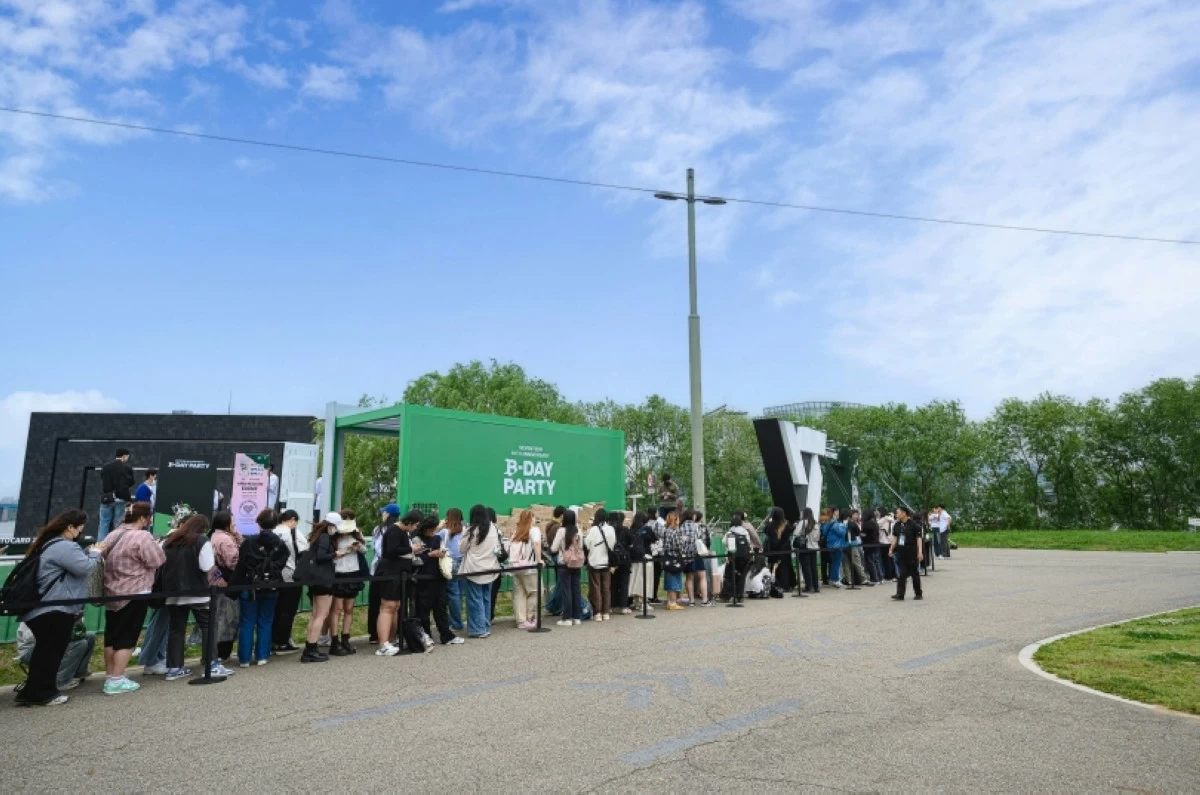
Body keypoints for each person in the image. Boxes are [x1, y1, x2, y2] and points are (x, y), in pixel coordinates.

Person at [16, 509, 101, 706]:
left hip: (43, 608)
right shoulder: (64, 546)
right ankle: (44, 693)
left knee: (45, 651)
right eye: (79, 528)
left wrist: (86, 554)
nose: (80, 532)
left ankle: (31, 691)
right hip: (55, 607)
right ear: (70, 527)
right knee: (51, 653)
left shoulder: (49, 544)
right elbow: (84, 567)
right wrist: (95, 553)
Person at [101, 501, 165, 695]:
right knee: (127, 638)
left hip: (111, 592)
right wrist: (158, 546)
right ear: (143, 518)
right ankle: (117, 679)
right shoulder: (142, 536)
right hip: (135, 591)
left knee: (111, 637)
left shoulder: (113, 534)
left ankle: (111, 675)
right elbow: (157, 560)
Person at [161, 514, 229, 681]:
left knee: (176, 629)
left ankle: (174, 668)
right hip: (197, 591)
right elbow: (207, 566)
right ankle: (211, 664)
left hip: (173, 592)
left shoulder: (169, 541)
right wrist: (220, 578)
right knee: (208, 626)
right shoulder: (201, 541)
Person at [235, 510, 290, 667]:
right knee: (266, 621)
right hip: (272, 584)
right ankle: (262, 656)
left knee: (247, 622)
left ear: (259, 523)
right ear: (276, 524)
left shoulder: (249, 542)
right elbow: (282, 563)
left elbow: (241, 564)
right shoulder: (280, 544)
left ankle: (244, 659)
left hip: (250, 585)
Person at [15, 619, 95, 698]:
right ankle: (60, 681)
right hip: (31, 651)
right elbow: (29, 637)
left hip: (52, 644)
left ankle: (78, 673)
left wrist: (76, 621)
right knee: (80, 644)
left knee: (90, 636)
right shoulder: (34, 615)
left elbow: (75, 630)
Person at [413, 515, 462, 646]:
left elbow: (444, 551)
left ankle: (446, 635)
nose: (433, 532)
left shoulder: (437, 538)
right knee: (423, 609)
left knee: (441, 607)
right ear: (425, 528)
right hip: (423, 578)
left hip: (439, 576)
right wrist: (430, 554)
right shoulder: (417, 539)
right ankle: (425, 636)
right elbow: (415, 559)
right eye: (431, 529)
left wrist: (442, 553)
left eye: (434, 529)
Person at [372, 505, 414, 655]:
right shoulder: (392, 531)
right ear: (409, 523)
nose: (415, 528)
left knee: (395, 606)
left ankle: (391, 639)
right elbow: (390, 551)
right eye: (415, 525)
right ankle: (383, 643)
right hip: (389, 573)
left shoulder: (400, 532)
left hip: (398, 573)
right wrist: (411, 549)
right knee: (388, 606)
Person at [458, 505, 500, 639]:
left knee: (475, 600)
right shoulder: (493, 528)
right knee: (486, 598)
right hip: (491, 568)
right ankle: (485, 626)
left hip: (474, 569)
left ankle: (478, 629)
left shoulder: (471, 530)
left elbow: (461, 548)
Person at [329, 510, 366, 657]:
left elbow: (364, 550)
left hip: (353, 571)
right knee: (337, 608)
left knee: (349, 608)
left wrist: (358, 547)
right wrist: (340, 552)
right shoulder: (333, 536)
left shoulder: (356, 534)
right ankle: (334, 639)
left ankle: (346, 638)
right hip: (338, 572)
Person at [302, 515, 339, 662]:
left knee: (315, 614)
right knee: (321, 615)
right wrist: (335, 554)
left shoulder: (317, 536)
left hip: (315, 579)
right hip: (324, 579)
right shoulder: (325, 537)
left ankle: (309, 646)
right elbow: (321, 556)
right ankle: (311, 648)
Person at [271, 509, 307, 653]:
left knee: (276, 610)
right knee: (288, 610)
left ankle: (272, 641)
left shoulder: (273, 531)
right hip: (291, 575)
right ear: (292, 520)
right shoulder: (294, 533)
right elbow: (305, 551)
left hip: (274, 576)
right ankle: (283, 642)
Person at [208, 511, 242, 664]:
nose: (235, 525)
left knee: (216, 617)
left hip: (214, 581)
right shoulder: (226, 540)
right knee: (227, 618)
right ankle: (222, 653)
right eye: (233, 523)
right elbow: (233, 562)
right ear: (226, 524)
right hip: (226, 583)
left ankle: (211, 653)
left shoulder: (213, 536)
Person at [508, 509, 542, 629]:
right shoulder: (534, 530)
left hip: (516, 566)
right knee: (535, 591)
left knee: (519, 593)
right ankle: (530, 617)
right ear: (531, 519)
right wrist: (539, 560)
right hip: (530, 567)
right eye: (533, 517)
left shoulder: (516, 532)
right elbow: (537, 544)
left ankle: (521, 620)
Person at [550, 509, 584, 626]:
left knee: (566, 592)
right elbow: (581, 546)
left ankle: (567, 618)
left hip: (564, 563)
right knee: (576, 591)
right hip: (576, 563)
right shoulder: (578, 531)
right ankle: (576, 617)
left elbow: (554, 548)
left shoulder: (561, 531)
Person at [584, 508, 617, 620]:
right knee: (606, 588)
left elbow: (587, 544)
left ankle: (597, 613)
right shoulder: (611, 529)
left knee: (595, 587)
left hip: (594, 561)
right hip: (606, 561)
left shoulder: (593, 529)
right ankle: (606, 612)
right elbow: (612, 544)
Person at [98, 449, 134, 541]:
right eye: (127, 457)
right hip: (120, 498)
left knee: (104, 523)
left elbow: (103, 480)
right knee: (118, 523)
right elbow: (131, 482)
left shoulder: (106, 467)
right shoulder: (126, 468)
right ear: (124, 456)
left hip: (107, 498)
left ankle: (100, 545)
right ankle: (115, 544)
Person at [890, 506, 924, 601]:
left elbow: (918, 539)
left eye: (898, 512)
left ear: (904, 513)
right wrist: (891, 549)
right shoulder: (897, 525)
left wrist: (920, 552)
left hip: (912, 551)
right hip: (901, 551)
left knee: (914, 573)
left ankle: (918, 593)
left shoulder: (913, 525)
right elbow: (895, 538)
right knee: (901, 573)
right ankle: (900, 594)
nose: (896, 514)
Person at [442, 508, 467, 633]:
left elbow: (433, 535)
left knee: (453, 594)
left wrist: (441, 525)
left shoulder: (446, 531)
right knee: (460, 593)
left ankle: (456, 623)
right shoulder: (465, 529)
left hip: (452, 563)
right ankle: (458, 620)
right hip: (464, 563)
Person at [660, 511, 688, 610]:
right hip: (675, 557)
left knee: (669, 579)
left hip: (667, 557)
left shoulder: (666, 530)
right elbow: (678, 546)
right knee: (674, 580)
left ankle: (669, 602)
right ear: (675, 519)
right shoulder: (676, 531)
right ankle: (673, 602)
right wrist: (683, 541)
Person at [628, 511, 656, 611]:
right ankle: (644, 603)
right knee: (645, 581)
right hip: (646, 557)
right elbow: (654, 539)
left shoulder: (631, 529)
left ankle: (636, 602)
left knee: (635, 580)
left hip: (634, 559)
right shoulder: (647, 529)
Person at [681, 509, 710, 606]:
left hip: (686, 555)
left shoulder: (680, 526)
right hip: (697, 554)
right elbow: (702, 540)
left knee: (689, 578)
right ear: (692, 516)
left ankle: (691, 601)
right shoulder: (697, 526)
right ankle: (704, 600)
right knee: (702, 577)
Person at [762, 507, 792, 596]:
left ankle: (776, 584)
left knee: (775, 567)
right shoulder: (787, 524)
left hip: (775, 549)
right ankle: (787, 585)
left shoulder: (772, 525)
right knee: (785, 567)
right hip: (785, 548)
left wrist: (768, 521)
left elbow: (766, 531)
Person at [542, 505, 566, 616]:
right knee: (560, 584)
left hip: (553, 556)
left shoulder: (550, 525)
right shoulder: (558, 528)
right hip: (558, 556)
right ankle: (551, 606)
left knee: (559, 582)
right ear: (562, 515)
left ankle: (556, 607)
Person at [612, 511, 635, 614]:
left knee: (613, 583)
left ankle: (612, 605)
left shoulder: (611, 530)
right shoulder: (626, 530)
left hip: (613, 559)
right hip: (625, 559)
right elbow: (632, 544)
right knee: (624, 583)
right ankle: (623, 606)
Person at [796, 507, 820, 594]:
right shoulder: (816, 523)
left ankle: (809, 586)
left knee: (806, 567)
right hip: (814, 547)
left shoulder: (802, 522)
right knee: (814, 567)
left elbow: (796, 533)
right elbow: (818, 537)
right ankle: (816, 586)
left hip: (805, 547)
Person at [845, 510, 872, 586]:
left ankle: (848, 580)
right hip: (853, 544)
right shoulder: (852, 523)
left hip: (844, 544)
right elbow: (857, 533)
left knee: (846, 563)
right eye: (855, 514)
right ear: (851, 515)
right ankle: (863, 579)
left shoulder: (842, 523)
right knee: (857, 561)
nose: (857, 516)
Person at [825, 510, 849, 588]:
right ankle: (836, 579)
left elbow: (824, 532)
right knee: (836, 563)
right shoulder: (835, 523)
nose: (838, 514)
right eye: (836, 513)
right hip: (837, 545)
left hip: (830, 545)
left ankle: (832, 579)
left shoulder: (828, 522)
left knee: (833, 563)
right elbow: (842, 533)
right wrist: (844, 525)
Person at [862, 508, 884, 584]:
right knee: (876, 561)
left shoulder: (866, 523)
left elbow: (864, 534)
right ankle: (880, 577)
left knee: (870, 561)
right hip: (876, 543)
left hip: (869, 545)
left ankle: (874, 578)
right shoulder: (875, 523)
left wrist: (859, 534)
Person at [878, 508, 896, 580]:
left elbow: (877, 525)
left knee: (885, 560)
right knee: (890, 559)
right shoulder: (891, 520)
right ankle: (893, 575)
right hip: (890, 541)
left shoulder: (882, 521)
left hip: (883, 541)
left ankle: (888, 576)